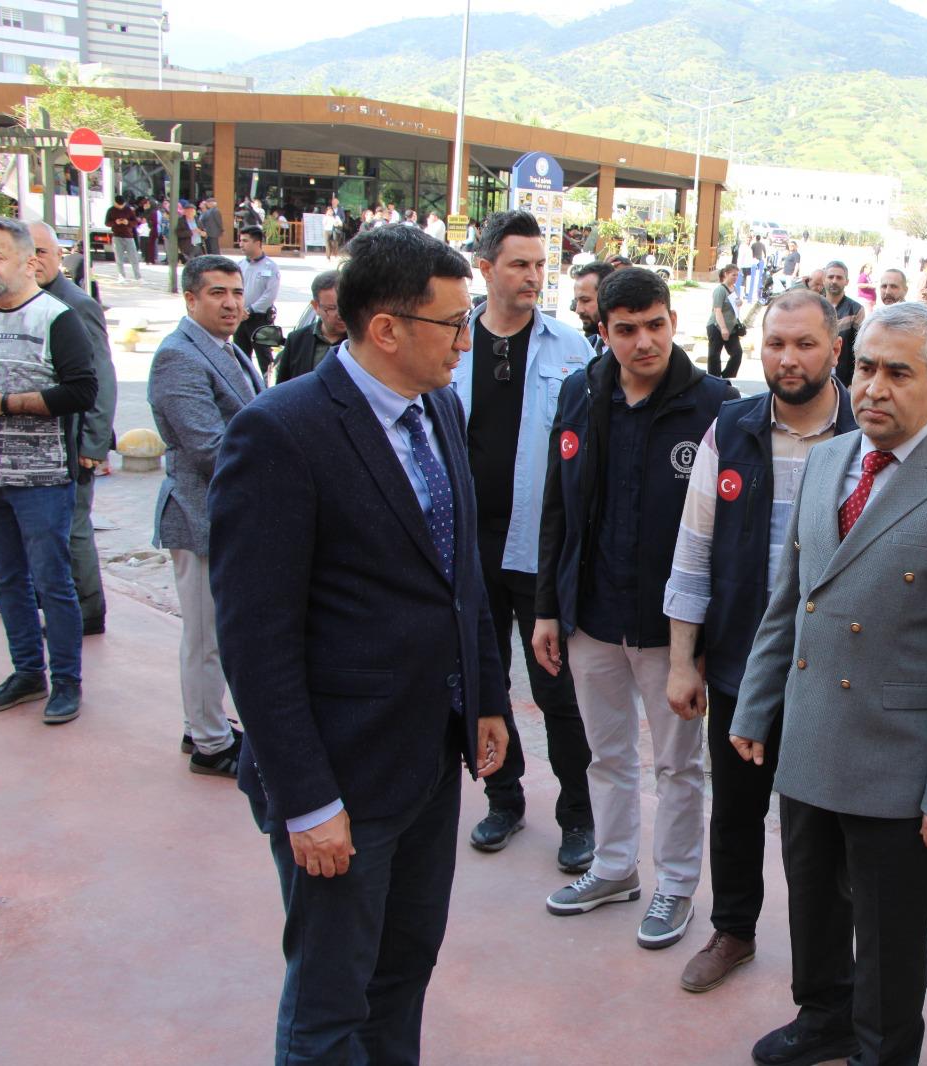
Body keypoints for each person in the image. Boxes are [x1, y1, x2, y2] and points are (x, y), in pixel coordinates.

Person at [208, 224, 513, 1062]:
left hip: (429, 758)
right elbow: (255, 641)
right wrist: (307, 801)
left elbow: (458, 574)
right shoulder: (281, 432)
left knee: (403, 970)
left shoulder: (438, 406)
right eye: (453, 324)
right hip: (339, 777)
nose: (466, 341)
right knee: (330, 1002)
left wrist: (486, 695)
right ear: (385, 328)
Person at [729, 300, 927, 1065]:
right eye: (864, 368)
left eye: (898, 372)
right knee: (812, 900)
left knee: (889, 930)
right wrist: (756, 708)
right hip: (809, 733)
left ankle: (882, 1050)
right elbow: (790, 599)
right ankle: (823, 1014)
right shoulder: (829, 460)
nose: (874, 388)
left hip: (897, 762)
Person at [534, 268, 736, 947]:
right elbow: (557, 505)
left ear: (673, 321)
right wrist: (547, 608)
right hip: (591, 615)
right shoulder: (580, 392)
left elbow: (729, 535)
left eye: (655, 325)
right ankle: (614, 866)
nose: (643, 341)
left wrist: (705, 639)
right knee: (606, 753)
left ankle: (675, 884)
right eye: (626, 330)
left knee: (679, 766)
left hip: (670, 630)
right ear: (604, 331)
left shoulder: (715, 406)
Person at [664, 288, 858, 994]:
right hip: (741, 666)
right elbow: (693, 550)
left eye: (805, 344)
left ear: (835, 349)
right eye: (776, 343)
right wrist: (682, 661)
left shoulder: (863, 436)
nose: (789, 358)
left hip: (832, 673)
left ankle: (825, 976)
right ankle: (733, 931)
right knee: (736, 811)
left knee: (823, 830)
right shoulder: (730, 429)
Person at [451, 209, 597, 871]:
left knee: (556, 691)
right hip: (466, 547)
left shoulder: (571, 349)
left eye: (541, 264)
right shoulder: (453, 340)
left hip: (540, 551)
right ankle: (503, 797)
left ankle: (578, 815)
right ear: (486, 268)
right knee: (481, 680)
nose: (534, 276)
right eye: (519, 264)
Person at [148, 256, 261, 776]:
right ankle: (210, 744)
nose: (232, 304)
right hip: (198, 517)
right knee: (205, 639)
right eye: (218, 293)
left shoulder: (226, 348)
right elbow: (209, 449)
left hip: (225, 517)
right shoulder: (179, 356)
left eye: (236, 292)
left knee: (216, 635)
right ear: (190, 299)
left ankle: (202, 725)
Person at [0, 217, 97, 725]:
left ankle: (67, 681)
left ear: (28, 261)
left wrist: (8, 403)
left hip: (43, 478)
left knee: (53, 582)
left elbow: (83, 390)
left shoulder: (57, 318)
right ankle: (28, 672)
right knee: (8, 580)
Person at [27, 221, 114, 636]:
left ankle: (88, 610)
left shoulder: (76, 305)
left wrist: (93, 443)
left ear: (59, 256)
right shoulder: (19, 303)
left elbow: (103, 379)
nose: (34, 261)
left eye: (42, 252)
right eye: (27, 253)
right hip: (33, 445)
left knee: (74, 528)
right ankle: (39, 595)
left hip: (72, 441)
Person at [274, 271, 346, 384]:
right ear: (316, 306)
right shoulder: (296, 340)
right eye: (331, 308)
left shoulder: (362, 341)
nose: (340, 315)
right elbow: (282, 388)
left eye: (345, 306)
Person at [234, 227, 282, 377]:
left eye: (245, 241)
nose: (241, 244)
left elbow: (270, 295)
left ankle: (268, 385)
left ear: (257, 243)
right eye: (240, 240)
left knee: (265, 357)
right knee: (240, 357)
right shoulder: (239, 266)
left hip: (260, 319)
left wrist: (251, 309)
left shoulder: (270, 267)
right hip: (241, 318)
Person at [824, 261, 865, 386]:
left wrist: (854, 381)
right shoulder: (813, 306)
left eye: (839, 277)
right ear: (824, 280)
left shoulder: (856, 310)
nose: (834, 281)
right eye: (830, 277)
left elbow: (859, 349)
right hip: (816, 375)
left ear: (847, 281)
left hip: (844, 380)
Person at [708, 263, 744, 379]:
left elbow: (735, 304)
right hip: (716, 326)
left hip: (731, 327)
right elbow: (717, 310)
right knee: (714, 355)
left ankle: (726, 377)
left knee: (737, 353)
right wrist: (723, 328)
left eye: (737, 275)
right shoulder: (720, 290)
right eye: (733, 275)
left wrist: (739, 303)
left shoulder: (735, 289)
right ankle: (714, 379)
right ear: (726, 274)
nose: (735, 277)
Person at [571, 260, 613, 357]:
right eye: (576, 301)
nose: (578, 310)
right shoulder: (581, 347)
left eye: (585, 300)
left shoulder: (631, 350)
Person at [103, 196, 141, 282]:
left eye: (122, 205)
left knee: (134, 257)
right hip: (117, 236)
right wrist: (115, 222)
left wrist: (127, 222)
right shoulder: (111, 210)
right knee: (119, 258)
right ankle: (121, 276)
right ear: (115, 203)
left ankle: (138, 277)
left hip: (129, 236)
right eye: (119, 205)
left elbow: (135, 223)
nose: (120, 206)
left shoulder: (129, 210)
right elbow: (107, 223)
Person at [137, 197, 160, 265]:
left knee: (150, 246)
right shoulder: (147, 211)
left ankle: (151, 260)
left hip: (151, 231)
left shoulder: (154, 212)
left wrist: (146, 221)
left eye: (148, 203)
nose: (147, 205)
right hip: (145, 232)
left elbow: (155, 222)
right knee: (145, 246)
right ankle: (147, 259)